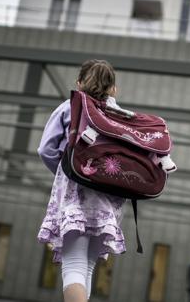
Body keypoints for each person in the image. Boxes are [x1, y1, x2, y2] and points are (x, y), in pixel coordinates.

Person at [37, 60, 126, 302]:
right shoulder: (120, 116)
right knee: (86, 267)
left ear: (79, 83)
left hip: (75, 197)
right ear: (113, 90)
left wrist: (69, 171)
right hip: (107, 201)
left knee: (74, 266)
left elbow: (45, 150)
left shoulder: (69, 107)